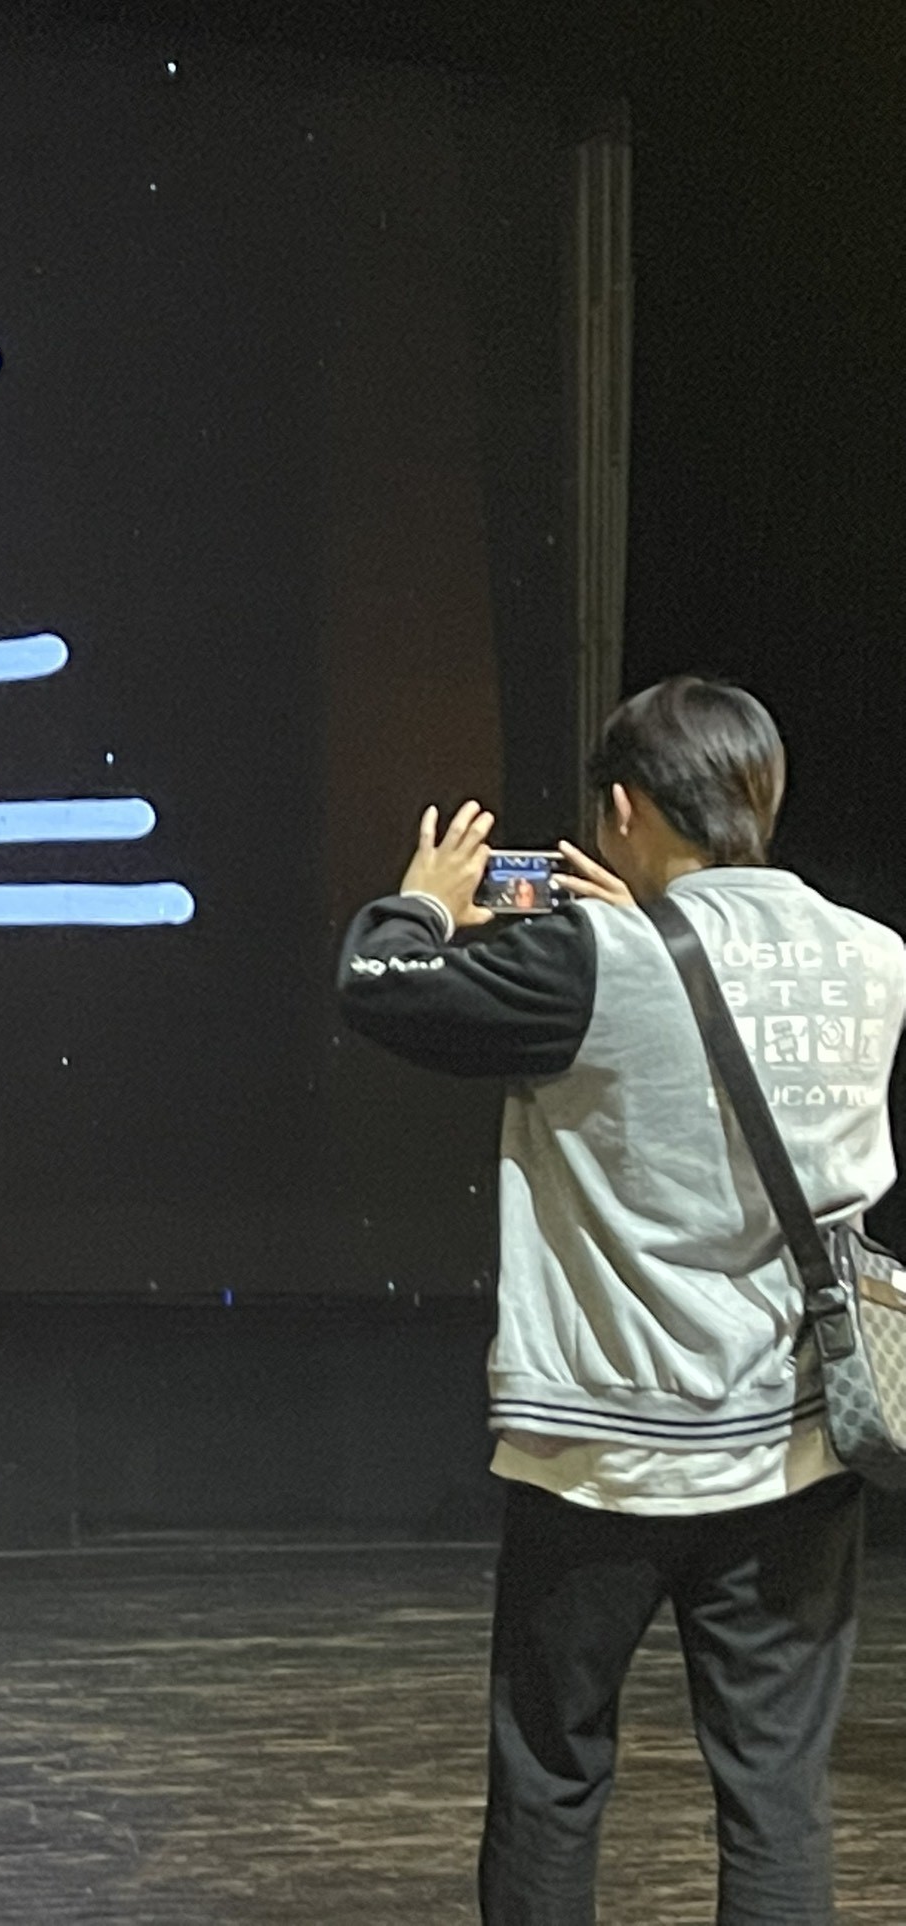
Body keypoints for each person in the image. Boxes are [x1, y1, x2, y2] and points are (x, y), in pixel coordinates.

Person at [337, 677, 906, 1923]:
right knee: (778, 1796)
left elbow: (379, 981)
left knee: (553, 1777)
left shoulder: (586, 961)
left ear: (625, 809)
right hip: (797, 1448)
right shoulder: (879, 957)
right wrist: (641, 925)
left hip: (602, 1457)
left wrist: (423, 903)